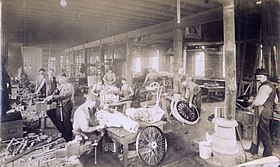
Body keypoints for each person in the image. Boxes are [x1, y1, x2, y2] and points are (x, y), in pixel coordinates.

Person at [245, 68, 278, 157]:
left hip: (262, 111)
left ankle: (268, 154)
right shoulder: (272, 86)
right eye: (257, 77)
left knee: (264, 132)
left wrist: (250, 106)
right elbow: (275, 100)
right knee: (257, 130)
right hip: (268, 110)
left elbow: (258, 101)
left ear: (265, 77)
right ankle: (253, 149)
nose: (258, 79)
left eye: (259, 77)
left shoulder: (264, 87)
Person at [45, 73, 75, 142]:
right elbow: (56, 92)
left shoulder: (69, 86)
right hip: (61, 105)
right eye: (58, 80)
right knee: (58, 118)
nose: (59, 81)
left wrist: (52, 97)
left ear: (65, 78)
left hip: (66, 106)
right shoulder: (62, 86)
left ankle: (69, 137)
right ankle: (64, 133)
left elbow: (64, 96)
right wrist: (54, 93)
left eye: (61, 79)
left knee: (66, 121)